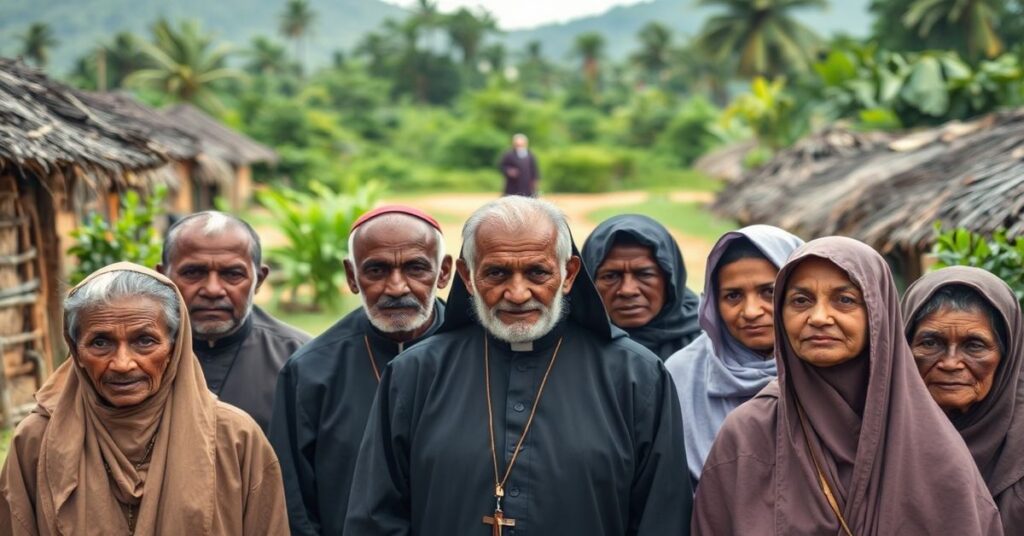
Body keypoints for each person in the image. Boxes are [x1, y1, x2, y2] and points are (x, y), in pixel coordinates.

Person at [345, 196, 690, 535]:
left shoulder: (637, 377)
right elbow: (375, 519)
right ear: (467, 276)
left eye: (537, 272)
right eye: (497, 273)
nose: (518, 293)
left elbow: (661, 517)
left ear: (568, 274)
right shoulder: (414, 374)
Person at [691, 237, 1002, 535]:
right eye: (801, 300)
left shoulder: (933, 448)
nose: (819, 317)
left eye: (845, 300)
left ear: (877, 314)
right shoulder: (749, 434)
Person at [0, 263, 287, 535]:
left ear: (174, 347)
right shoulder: (37, 440)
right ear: (77, 352)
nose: (122, 364)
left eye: (145, 341)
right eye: (100, 342)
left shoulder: (234, 437)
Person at [270, 206, 452, 536]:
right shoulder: (310, 372)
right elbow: (293, 504)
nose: (396, 287)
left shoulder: (478, 356)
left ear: (444, 272)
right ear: (352, 276)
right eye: (376, 270)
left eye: (415, 268)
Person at [665, 225, 803, 483]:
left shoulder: (827, 369)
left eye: (769, 292)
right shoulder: (682, 374)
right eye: (733, 296)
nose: (751, 311)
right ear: (713, 304)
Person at [158, 211, 310, 433]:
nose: (213, 290)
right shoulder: (133, 355)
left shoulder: (302, 360)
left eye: (232, 274)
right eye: (193, 272)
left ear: (259, 280)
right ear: (163, 278)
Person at [902, 267, 1024, 532]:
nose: (951, 363)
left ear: (1006, 357)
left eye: (974, 345)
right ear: (903, 349)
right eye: (930, 343)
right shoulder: (879, 433)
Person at [581, 214, 702, 359]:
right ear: (588, 283)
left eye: (645, 274)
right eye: (610, 276)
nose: (627, 290)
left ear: (670, 281)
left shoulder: (708, 343)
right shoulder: (568, 344)